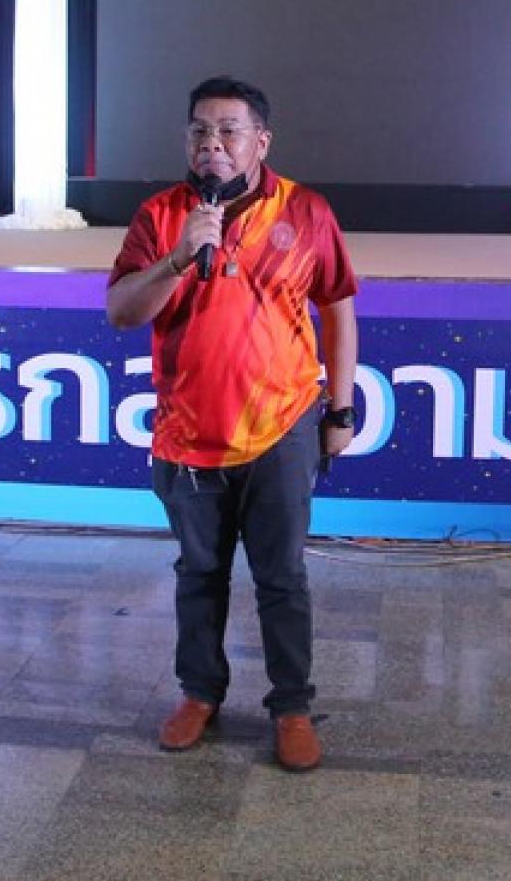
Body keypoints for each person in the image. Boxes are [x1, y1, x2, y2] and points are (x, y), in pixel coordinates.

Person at [106, 75, 358, 772]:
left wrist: (340, 408)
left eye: (227, 131)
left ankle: (292, 706)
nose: (211, 144)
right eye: (199, 131)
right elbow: (122, 311)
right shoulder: (161, 215)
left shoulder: (305, 210)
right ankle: (199, 693)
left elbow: (338, 307)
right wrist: (179, 257)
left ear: (260, 141)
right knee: (199, 573)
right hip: (187, 434)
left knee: (282, 576)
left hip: (282, 425)